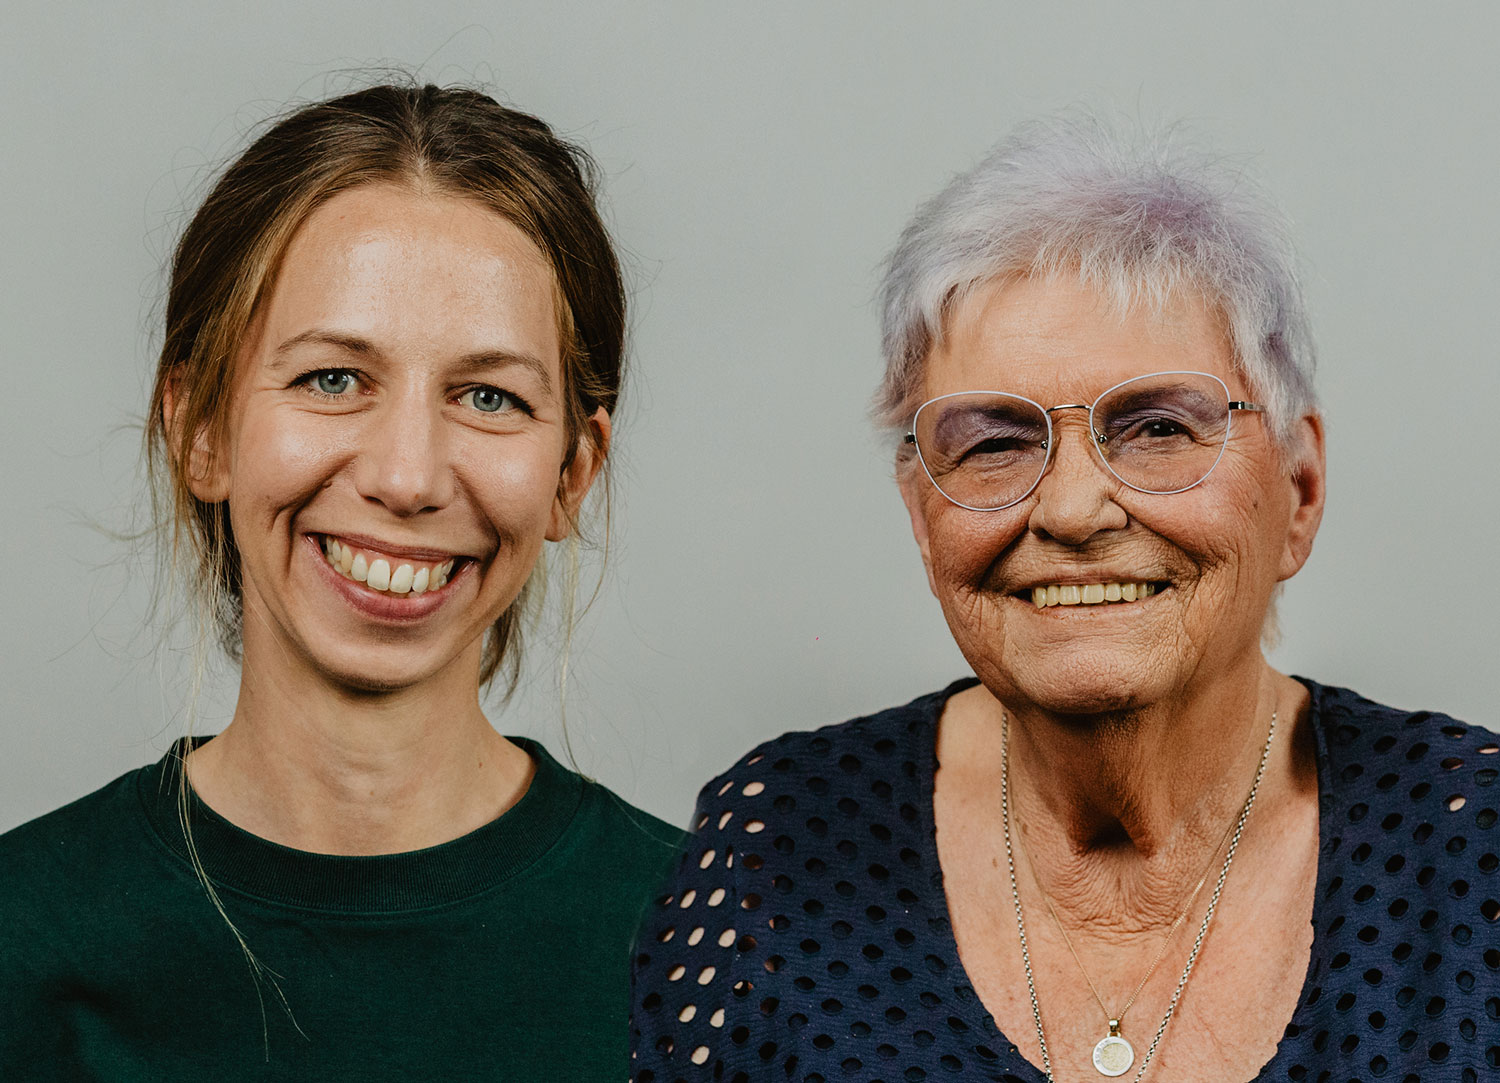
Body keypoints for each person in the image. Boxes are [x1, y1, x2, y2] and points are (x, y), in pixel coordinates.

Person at [630, 115, 1500, 1082]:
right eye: (996, 442)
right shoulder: (779, 849)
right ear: (922, 518)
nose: (1076, 509)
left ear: (1300, 491)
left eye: (1161, 426)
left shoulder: (1478, 847)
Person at [0, 83, 681, 1080]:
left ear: (574, 473)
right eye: (332, 379)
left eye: (489, 396)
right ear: (201, 431)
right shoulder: (20, 937)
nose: (405, 478)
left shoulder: (728, 953)